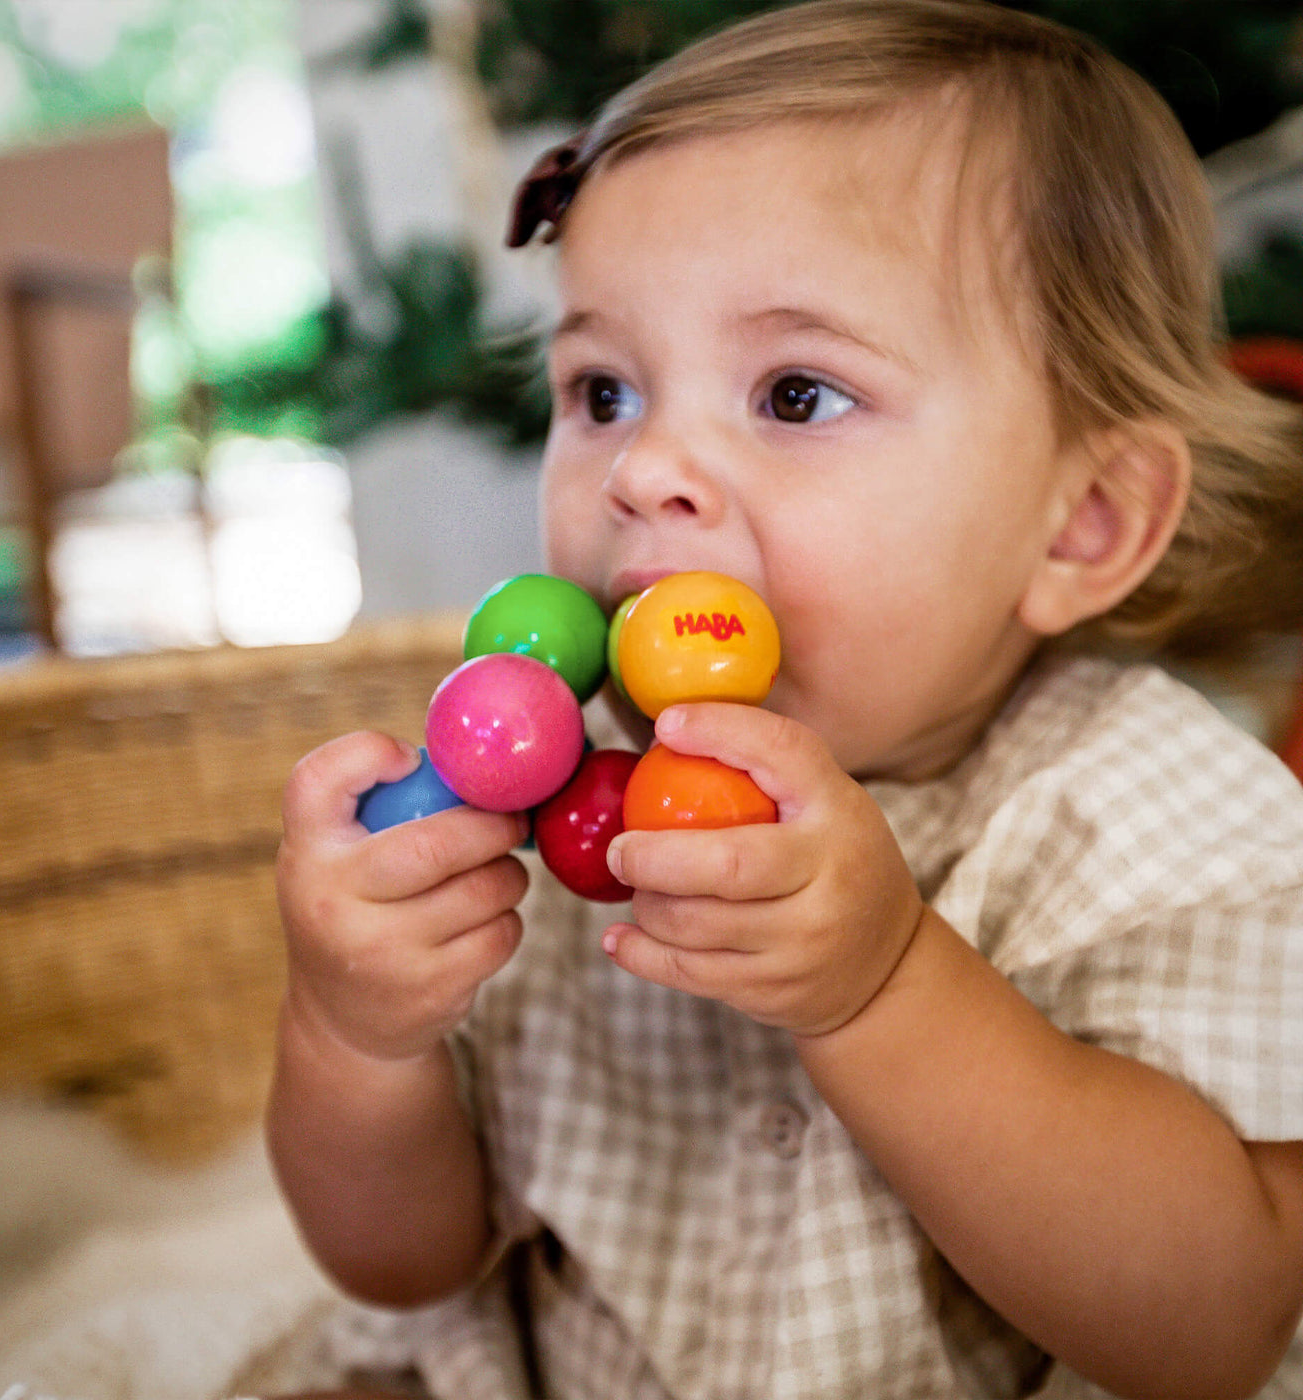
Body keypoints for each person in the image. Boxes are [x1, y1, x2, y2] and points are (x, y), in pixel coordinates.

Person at [266, 2, 1303, 1396]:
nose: (642, 473)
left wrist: (882, 990)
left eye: (799, 393)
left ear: (1083, 527)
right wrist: (353, 1033)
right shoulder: (554, 804)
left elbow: (1211, 1331)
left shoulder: (1150, 815)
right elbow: (410, 1265)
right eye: (605, 390)